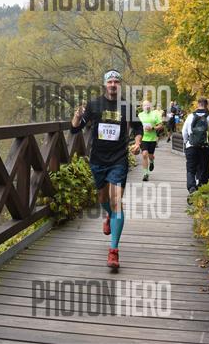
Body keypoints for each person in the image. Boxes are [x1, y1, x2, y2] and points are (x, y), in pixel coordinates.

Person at [71, 69, 143, 269]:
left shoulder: (127, 106)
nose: (113, 84)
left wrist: (138, 143)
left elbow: (138, 127)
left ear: (120, 85)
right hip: (98, 159)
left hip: (119, 159)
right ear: (105, 84)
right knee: (103, 198)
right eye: (110, 81)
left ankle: (113, 251)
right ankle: (109, 215)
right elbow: (75, 128)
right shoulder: (94, 104)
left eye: (116, 82)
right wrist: (77, 117)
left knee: (116, 201)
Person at [181, 97, 209, 204]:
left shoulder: (190, 116)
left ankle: (192, 188)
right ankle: (201, 188)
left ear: (198, 104)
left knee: (191, 169)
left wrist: (187, 142)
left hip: (191, 146)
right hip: (204, 147)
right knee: (203, 168)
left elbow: (184, 132)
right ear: (207, 105)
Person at [138, 100, 164, 181]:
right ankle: (146, 174)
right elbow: (136, 126)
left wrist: (152, 128)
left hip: (152, 138)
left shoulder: (155, 114)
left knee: (150, 155)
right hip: (143, 138)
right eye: (145, 105)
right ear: (142, 107)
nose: (147, 106)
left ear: (151, 106)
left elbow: (161, 125)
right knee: (144, 154)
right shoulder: (140, 115)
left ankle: (152, 161)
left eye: (148, 105)